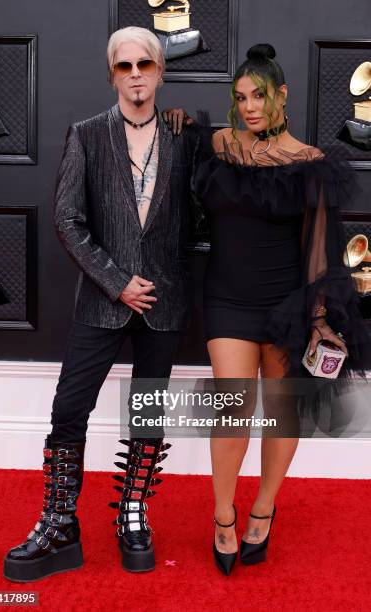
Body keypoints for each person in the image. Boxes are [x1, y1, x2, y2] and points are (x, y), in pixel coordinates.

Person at [168, 43, 371, 575]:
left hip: (287, 303)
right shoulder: (218, 145)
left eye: (259, 95)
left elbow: (320, 247)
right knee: (232, 410)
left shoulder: (310, 163)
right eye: (240, 97)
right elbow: (183, 144)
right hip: (226, 299)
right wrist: (177, 119)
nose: (249, 106)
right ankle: (222, 515)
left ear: (282, 95)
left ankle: (263, 506)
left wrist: (320, 316)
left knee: (282, 415)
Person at [3, 26, 197, 581]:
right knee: (68, 411)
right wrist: (116, 281)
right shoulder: (87, 135)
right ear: (112, 73)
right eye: (123, 66)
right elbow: (67, 220)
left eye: (145, 64)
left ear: (160, 70)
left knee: (147, 414)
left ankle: (133, 514)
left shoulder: (185, 136)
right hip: (102, 299)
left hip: (165, 300)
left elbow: (201, 212)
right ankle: (60, 523)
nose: (135, 74)